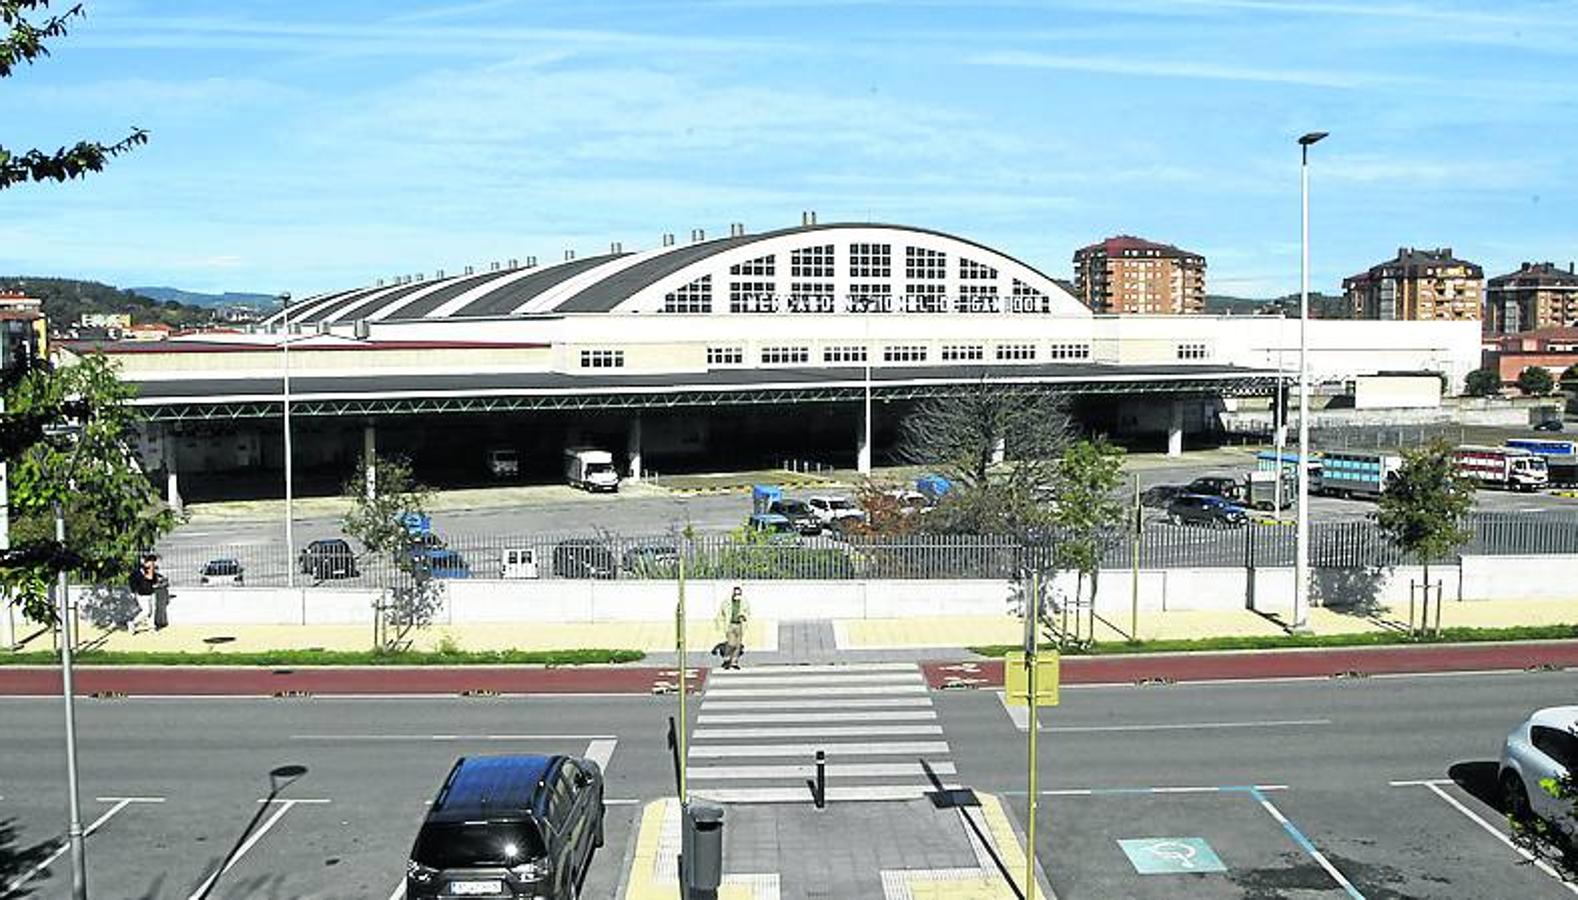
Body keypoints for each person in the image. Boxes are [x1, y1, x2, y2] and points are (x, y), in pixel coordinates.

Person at [128, 554, 170, 632]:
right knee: (146, 611)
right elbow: (132, 580)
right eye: (151, 562)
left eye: (153, 562)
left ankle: (152, 627)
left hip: (151, 592)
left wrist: (160, 582)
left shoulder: (153, 571)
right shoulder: (139, 571)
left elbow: (154, 581)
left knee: (153, 610)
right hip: (142, 594)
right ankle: (133, 623)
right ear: (146, 562)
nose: (153, 564)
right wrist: (133, 591)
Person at [715, 585, 750, 670]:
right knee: (731, 644)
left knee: (737, 645)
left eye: (739, 594)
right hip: (730, 624)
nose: (737, 595)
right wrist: (719, 624)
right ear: (733, 593)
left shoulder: (744, 602)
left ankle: (734, 662)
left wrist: (743, 616)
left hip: (739, 625)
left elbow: (748, 612)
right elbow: (720, 613)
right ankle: (726, 659)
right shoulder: (726, 602)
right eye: (736, 593)